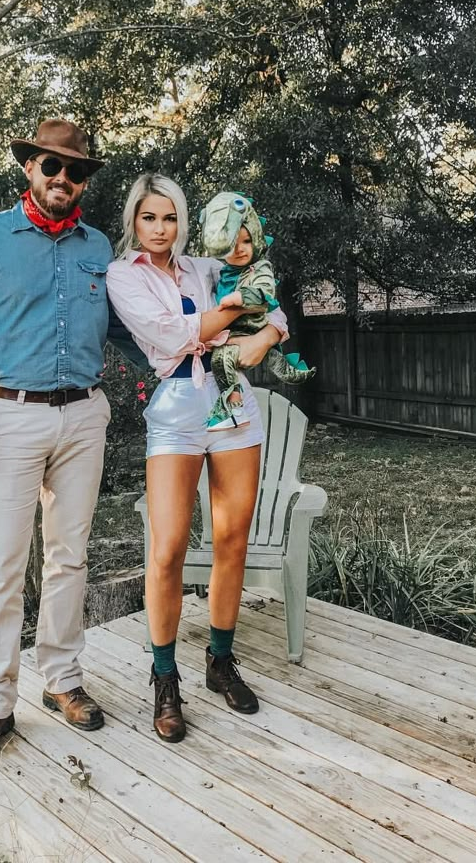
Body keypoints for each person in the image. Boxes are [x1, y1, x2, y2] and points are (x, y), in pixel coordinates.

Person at [0, 119, 116, 768]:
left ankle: (62, 679)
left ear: (85, 179)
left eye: (76, 170)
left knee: (69, 557)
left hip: (84, 417)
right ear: (29, 168)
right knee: (2, 564)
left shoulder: (100, 247)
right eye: (51, 166)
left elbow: (133, 322)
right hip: (9, 417)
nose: (63, 179)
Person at [106, 174, 290, 743]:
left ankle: (220, 660)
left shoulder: (204, 267)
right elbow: (174, 337)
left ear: (183, 221)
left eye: (169, 218)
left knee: (232, 538)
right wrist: (239, 313)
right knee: (166, 551)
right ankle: (165, 679)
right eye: (148, 218)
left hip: (235, 405)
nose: (160, 230)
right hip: (178, 408)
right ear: (133, 222)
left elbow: (272, 304)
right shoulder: (122, 276)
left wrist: (266, 336)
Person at [201, 191, 315, 431]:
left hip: (253, 324)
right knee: (222, 358)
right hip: (237, 333)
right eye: (232, 244)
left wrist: (239, 298)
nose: (240, 249)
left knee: (220, 360)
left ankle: (233, 408)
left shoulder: (258, 267)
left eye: (246, 241)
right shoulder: (221, 271)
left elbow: (265, 293)